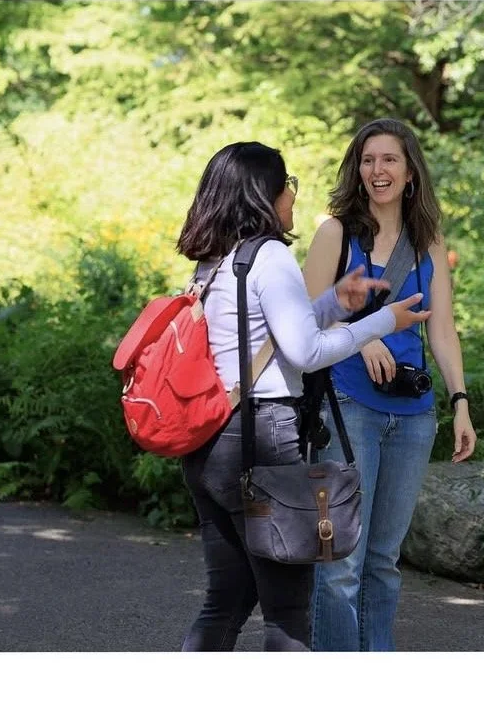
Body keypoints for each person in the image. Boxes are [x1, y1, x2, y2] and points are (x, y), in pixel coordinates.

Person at [174, 141, 430, 652]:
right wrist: (383, 321)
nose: (292, 194)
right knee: (289, 613)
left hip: (211, 439)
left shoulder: (219, 260)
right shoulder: (269, 255)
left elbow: (271, 333)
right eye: (287, 184)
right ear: (264, 194)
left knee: (227, 598)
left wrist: (335, 302)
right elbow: (307, 352)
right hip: (262, 438)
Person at [303, 118, 477, 651]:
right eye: (368, 160)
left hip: (413, 416)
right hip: (347, 406)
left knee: (384, 561)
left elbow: (442, 330)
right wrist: (362, 336)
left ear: (410, 172)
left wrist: (460, 402)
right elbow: (303, 321)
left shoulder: (428, 242)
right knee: (342, 561)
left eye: (389, 160)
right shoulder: (335, 234)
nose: (377, 170)